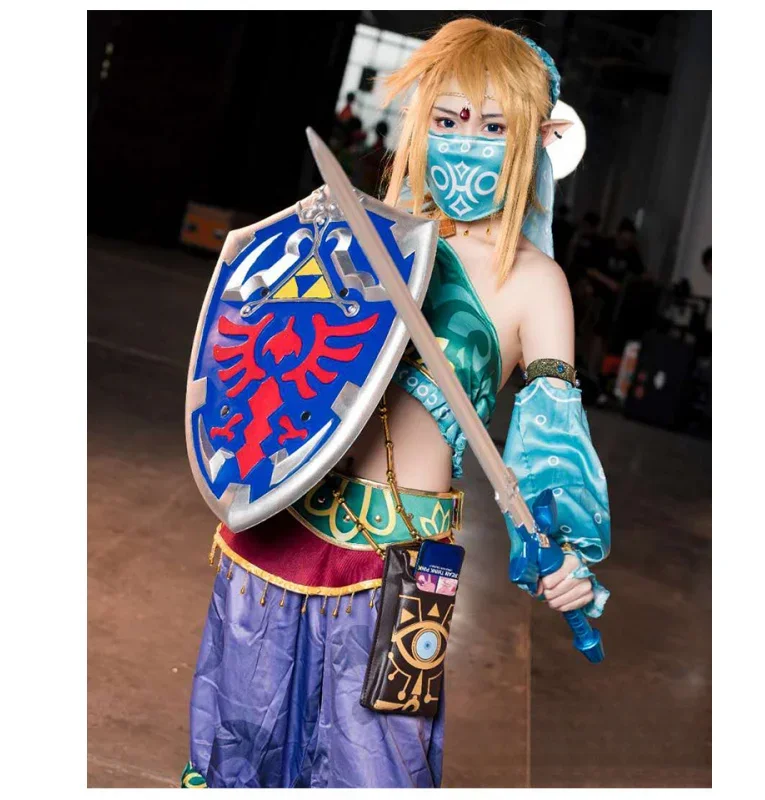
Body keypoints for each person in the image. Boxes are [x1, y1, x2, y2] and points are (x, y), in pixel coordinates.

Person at [183, 18, 611, 789]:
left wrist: (566, 546)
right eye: (449, 119)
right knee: (240, 747)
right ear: (421, 124)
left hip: (406, 562)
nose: (467, 142)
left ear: (531, 138)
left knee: (379, 766)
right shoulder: (369, 235)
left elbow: (551, 435)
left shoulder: (532, 282)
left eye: (492, 126)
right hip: (279, 523)